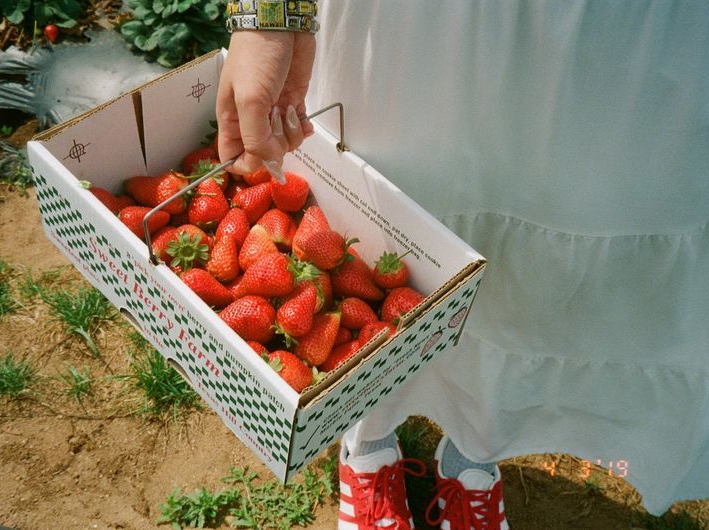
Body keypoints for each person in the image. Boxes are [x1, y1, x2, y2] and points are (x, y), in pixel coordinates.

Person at [216, 2, 709, 529]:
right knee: (383, 215)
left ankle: (473, 455)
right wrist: (267, 14)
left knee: (536, 266)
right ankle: (366, 439)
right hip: (420, 24)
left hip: (617, 35)